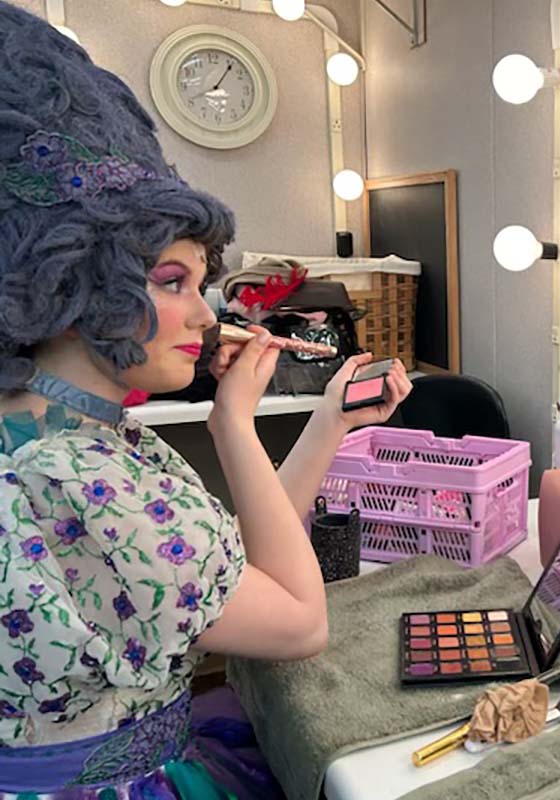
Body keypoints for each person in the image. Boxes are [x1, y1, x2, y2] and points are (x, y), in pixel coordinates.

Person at [0, 4, 412, 795]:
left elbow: (232, 571)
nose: (204, 315)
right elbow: (298, 619)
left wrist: (326, 420)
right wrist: (234, 423)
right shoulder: (84, 479)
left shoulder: (47, 432)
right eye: (171, 282)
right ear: (77, 281)